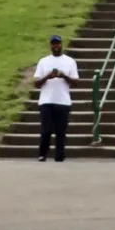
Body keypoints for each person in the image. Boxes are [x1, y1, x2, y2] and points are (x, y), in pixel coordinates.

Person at [32, 34, 80, 162]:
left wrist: (63, 75)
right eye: (53, 44)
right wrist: (48, 76)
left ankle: (60, 154)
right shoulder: (43, 61)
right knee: (46, 130)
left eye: (57, 43)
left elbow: (75, 83)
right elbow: (36, 83)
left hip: (63, 101)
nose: (56, 46)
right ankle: (42, 153)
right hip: (46, 100)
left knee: (61, 131)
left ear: (61, 44)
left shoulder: (70, 61)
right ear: (50, 46)